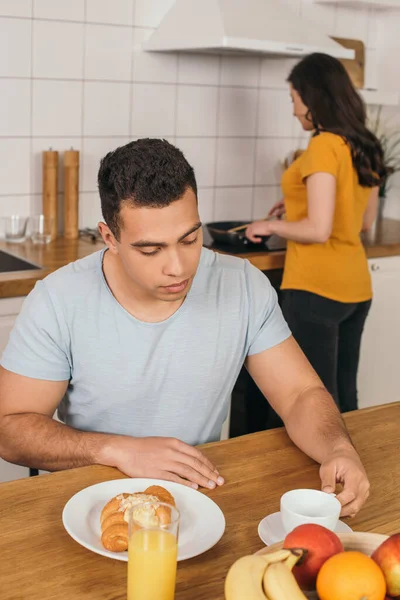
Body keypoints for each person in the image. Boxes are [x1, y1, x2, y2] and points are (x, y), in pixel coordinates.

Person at [0, 138, 369, 517]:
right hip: (90, 503)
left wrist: (338, 449)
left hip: (199, 498)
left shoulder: (241, 285)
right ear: (110, 238)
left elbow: (299, 394)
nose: (178, 267)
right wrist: (117, 449)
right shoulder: (58, 299)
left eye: (190, 239)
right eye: (150, 249)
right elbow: (10, 429)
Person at [245, 53, 386, 422]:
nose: (294, 110)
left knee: (312, 403)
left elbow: (319, 229)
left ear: (312, 97)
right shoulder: (363, 144)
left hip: (316, 288)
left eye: (294, 99)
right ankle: (352, 474)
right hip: (355, 286)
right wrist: (295, 206)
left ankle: (321, 478)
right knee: (344, 396)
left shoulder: (323, 145)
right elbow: (362, 221)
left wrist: (269, 227)